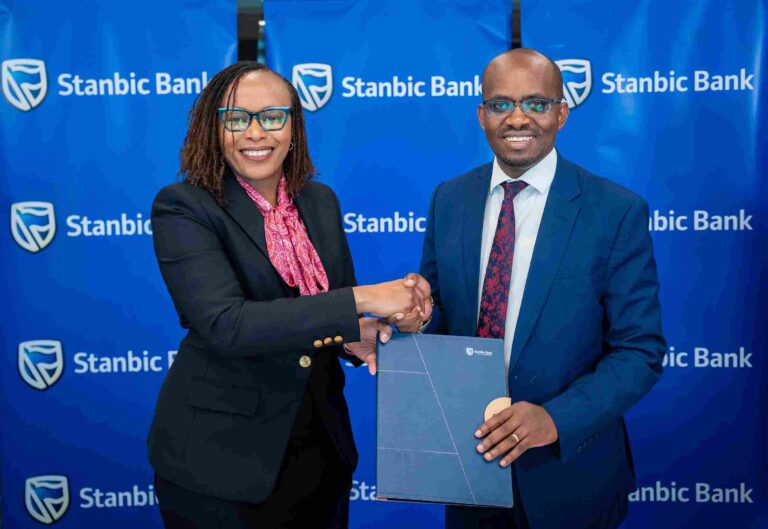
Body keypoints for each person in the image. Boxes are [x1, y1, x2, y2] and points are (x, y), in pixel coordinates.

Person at [147, 61, 430, 529]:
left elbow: (329, 317)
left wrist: (377, 328)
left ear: (293, 127)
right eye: (237, 118)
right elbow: (228, 325)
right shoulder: (184, 206)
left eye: (272, 116)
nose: (256, 132)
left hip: (321, 452)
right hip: (221, 464)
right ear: (214, 130)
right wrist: (362, 299)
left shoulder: (319, 201)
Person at [399, 48, 666, 529]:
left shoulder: (615, 211)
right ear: (482, 115)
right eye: (501, 104)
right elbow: (438, 316)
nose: (518, 117)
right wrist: (411, 318)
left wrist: (556, 419)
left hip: (570, 479)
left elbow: (640, 351)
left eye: (536, 104)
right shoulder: (449, 199)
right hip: (469, 469)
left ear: (562, 113)